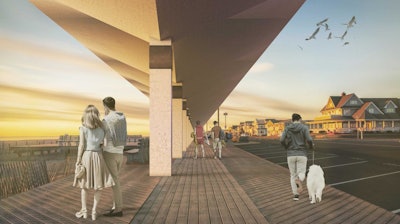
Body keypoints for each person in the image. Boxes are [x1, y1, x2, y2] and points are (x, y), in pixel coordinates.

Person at [73, 105, 115, 221]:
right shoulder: (102, 129)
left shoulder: (83, 128)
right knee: (98, 186)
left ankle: (85, 211)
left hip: (87, 156)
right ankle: (94, 212)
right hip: (98, 156)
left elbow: (81, 146)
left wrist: (78, 160)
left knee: (84, 186)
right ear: (96, 115)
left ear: (86, 115)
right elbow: (105, 144)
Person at [101, 97, 127, 217]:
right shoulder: (122, 116)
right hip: (120, 152)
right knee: (116, 180)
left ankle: (118, 210)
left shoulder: (106, 119)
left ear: (105, 106)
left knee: (114, 182)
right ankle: (115, 205)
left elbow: (101, 136)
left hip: (110, 153)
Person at [280, 113, 314, 201]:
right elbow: (309, 139)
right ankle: (299, 179)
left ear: (292, 120)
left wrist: (286, 146)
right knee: (302, 172)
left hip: (290, 154)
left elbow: (282, 139)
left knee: (292, 175)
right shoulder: (304, 127)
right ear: (300, 119)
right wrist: (310, 146)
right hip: (302, 153)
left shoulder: (287, 128)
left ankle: (296, 195)